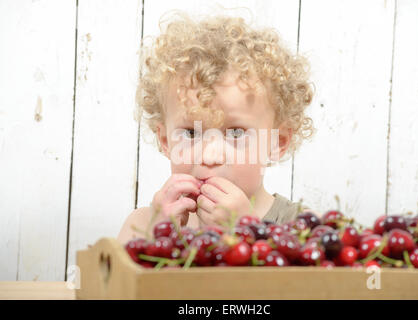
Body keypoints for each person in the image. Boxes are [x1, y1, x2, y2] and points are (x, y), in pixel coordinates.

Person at [118, 11, 315, 244]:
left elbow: (293, 281)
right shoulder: (143, 225)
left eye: (236, 133)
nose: (209, 156)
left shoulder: (300, 229)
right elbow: (114, 281)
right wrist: (159, 239)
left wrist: (248, 234)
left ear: (277, 142)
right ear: (165, 140)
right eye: (191, 133)